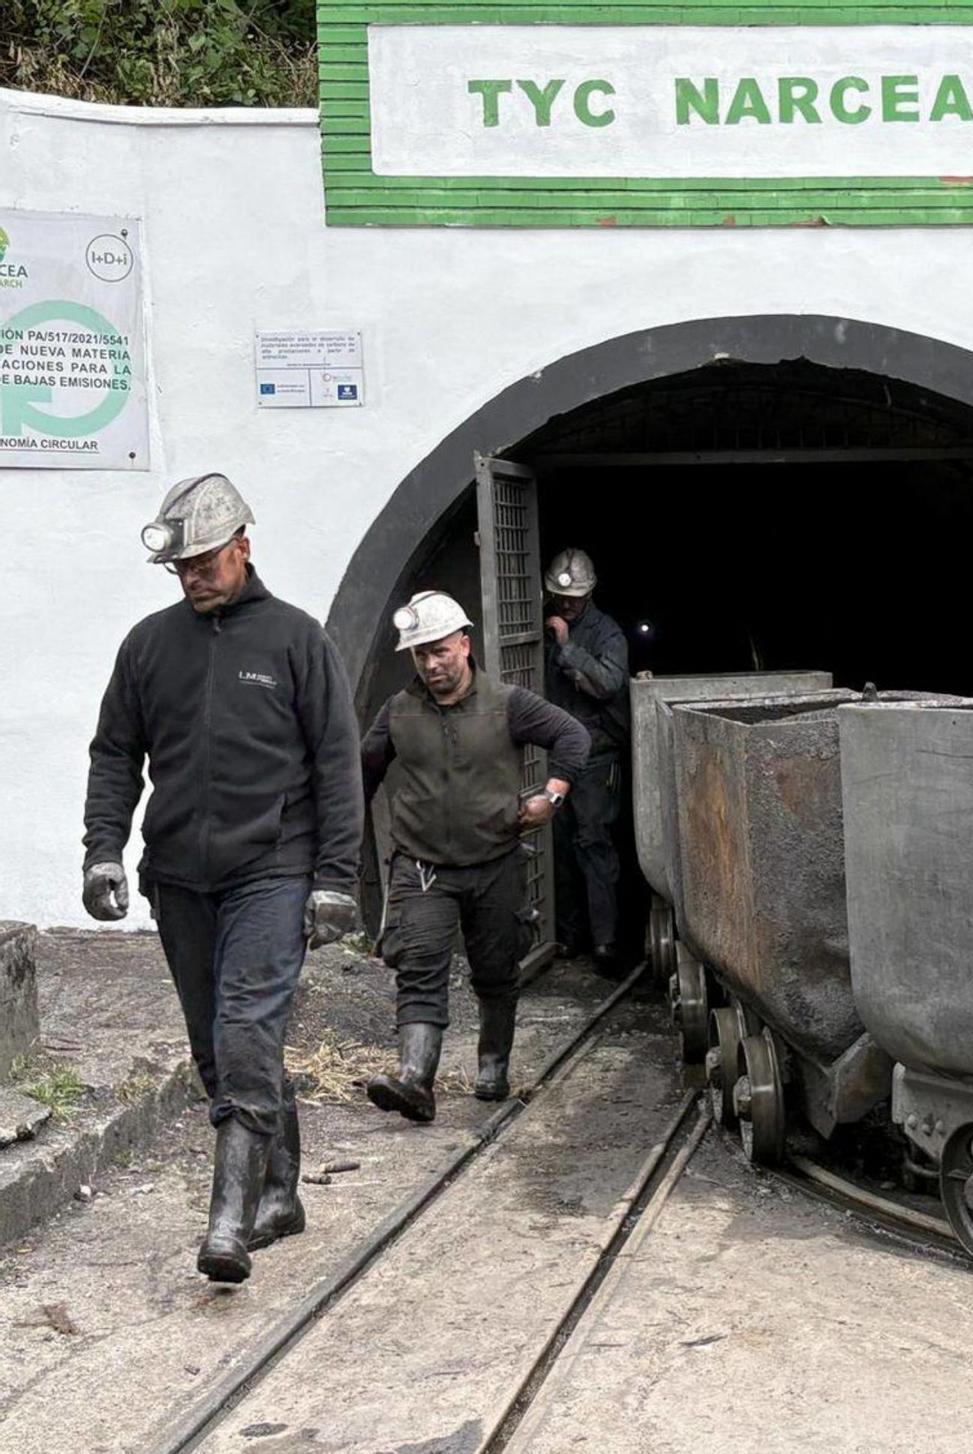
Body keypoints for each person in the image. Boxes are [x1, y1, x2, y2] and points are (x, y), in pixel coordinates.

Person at [81, 473, 363, 1284]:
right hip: (177, 875)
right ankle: (281, 1192)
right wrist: (103, 850)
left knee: (245, 1029)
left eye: (207, 560)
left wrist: (336, 878)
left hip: (272, 868)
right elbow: (114, 756)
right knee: (221, 1046)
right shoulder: (147, 647)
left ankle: (227, 1219)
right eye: (183, 568)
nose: (195, 576)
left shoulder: (296, 641)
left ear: (244, 545)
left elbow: (338, 767)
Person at [361, 591, 589, 1123]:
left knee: (495, 969)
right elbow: (363, 774)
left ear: (465, 644)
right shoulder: (398, 712)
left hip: (495, 862)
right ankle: (416, 1079)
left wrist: (552, 795)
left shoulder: (507, 703)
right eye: (420, 655)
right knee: (418, 968)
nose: (431, 664)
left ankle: (493, 1062)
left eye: (440, 650)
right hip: (422, 867)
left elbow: (572, 736)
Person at [542, 549, 631, 972]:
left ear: (590, 592)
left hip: (596, 755)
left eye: (575, 596)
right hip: (556, 755)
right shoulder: (541, 626)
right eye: (562, 596)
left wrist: (567, 647)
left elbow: (609, 683)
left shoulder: (606, 632)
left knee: (594, 843)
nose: (567, 603)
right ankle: (566, 936)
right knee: (557, 844)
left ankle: (606, 942)